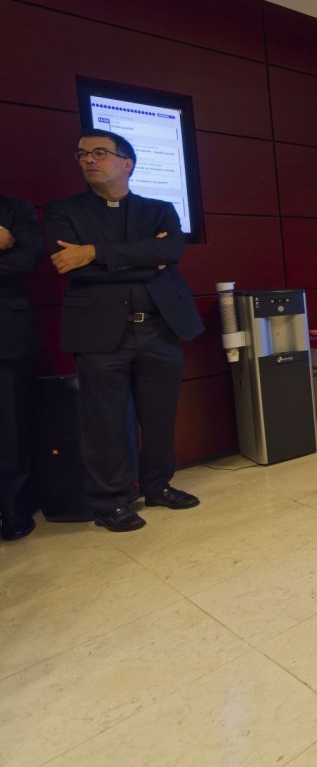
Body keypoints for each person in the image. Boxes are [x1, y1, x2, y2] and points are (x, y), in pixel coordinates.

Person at [44, 130, 205, 532]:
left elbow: (171, 252)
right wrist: (147, 260)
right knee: (105, 423)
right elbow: (69, 266)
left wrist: (95, 252)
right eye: (82, 153)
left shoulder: (160, 208)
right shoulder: (64, 211)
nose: (88, 159)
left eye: (100, 152)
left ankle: (157, 486)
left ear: (127, 163)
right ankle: (109, 502)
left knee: (159, 416)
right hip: (98, 333)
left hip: (159, 329)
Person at [0, 193, 42, 541]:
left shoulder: (14, 207)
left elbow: (27, 259)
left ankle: (14, 507)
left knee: (11, 427)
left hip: (7, 334)